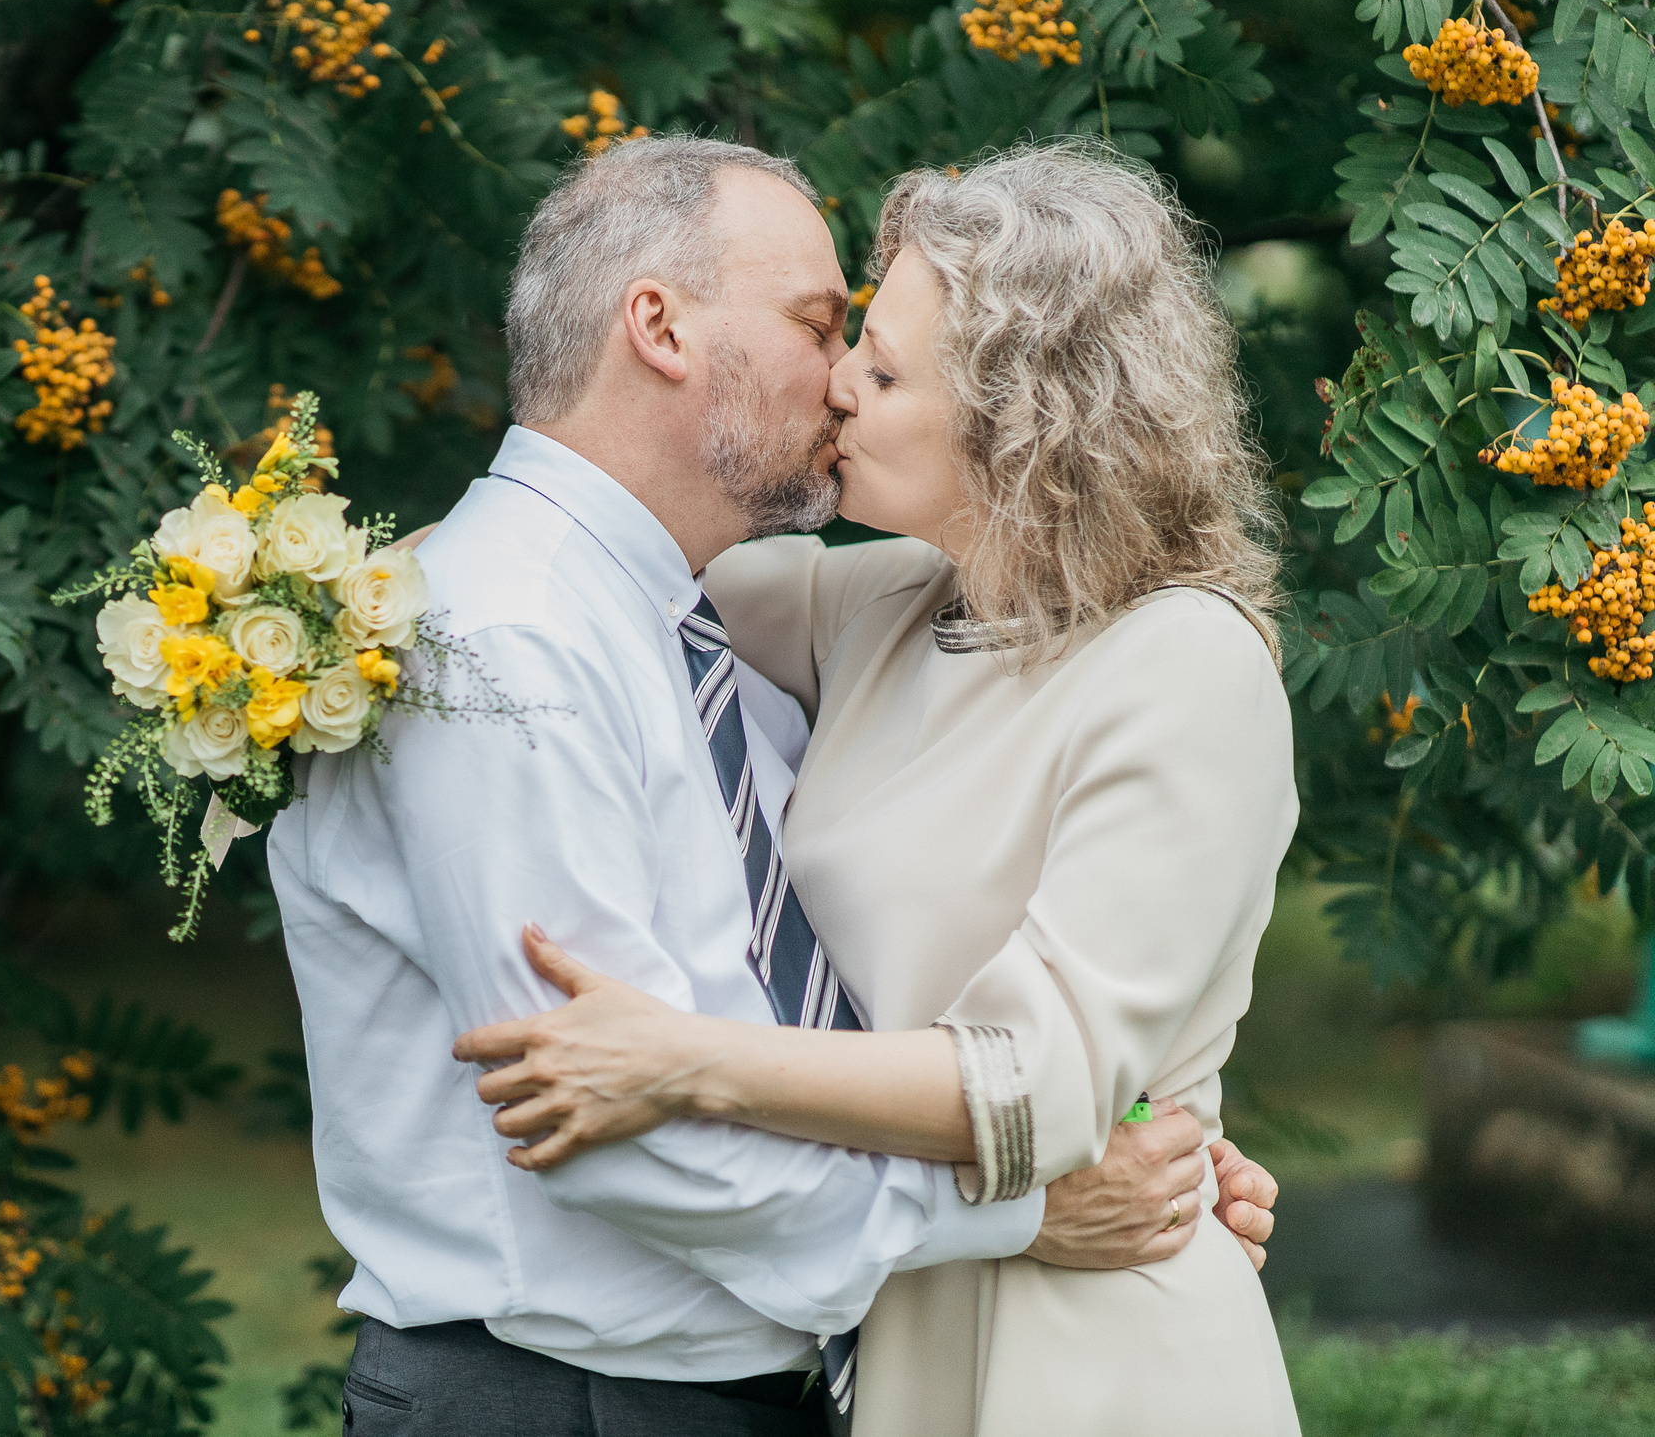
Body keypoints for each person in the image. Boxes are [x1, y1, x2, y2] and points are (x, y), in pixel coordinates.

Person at [265, 135, 1277, 1437]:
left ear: (1017, 410)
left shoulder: (723, 618)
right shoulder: (531, 633)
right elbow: (621, 1125)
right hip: (582, 1397)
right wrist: (1018, 1208)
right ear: (661, 329)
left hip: (1013, 1362)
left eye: (879, 357)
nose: (842, 382)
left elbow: (1046, 1060)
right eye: (820, 327)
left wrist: (1159, 1127)